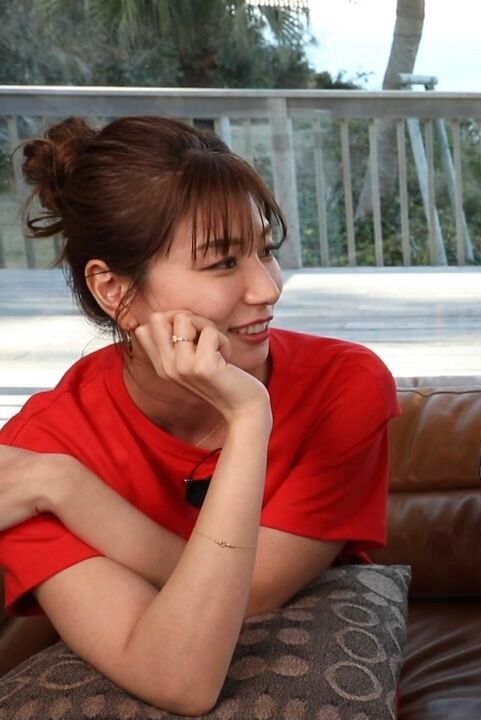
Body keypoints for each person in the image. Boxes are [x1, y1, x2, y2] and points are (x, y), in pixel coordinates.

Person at [0, 116, 399, 715]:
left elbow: (254, 593)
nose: (268, 288)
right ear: (114, 291)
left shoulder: (344, 386)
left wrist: (247, 417)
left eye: (265, 250)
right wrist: (55, 474)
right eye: (222, 263)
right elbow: (179, 675)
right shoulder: (38, 451)